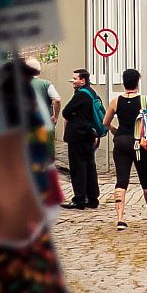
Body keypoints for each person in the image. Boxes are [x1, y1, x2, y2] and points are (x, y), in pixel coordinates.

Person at [101, 69, 147, 230]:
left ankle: (120, 219)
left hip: (121, 142)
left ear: (123, 82)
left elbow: (105, 122)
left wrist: (114, 130)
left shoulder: (115, 101)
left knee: (121, 180)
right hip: (140, 144)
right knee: (146, 180)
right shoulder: (145, 101)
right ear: (138, 82)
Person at [61, 69, 101, 210]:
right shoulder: (92, 93)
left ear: (82, 80)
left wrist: (73, 115)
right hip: (89, 135)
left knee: (78, 168)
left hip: (78, 135)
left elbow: (65, 112)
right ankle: (92, 198)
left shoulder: (81, 95)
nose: (73, 81)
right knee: (90, 166)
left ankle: (79, 199)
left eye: (75, 78)